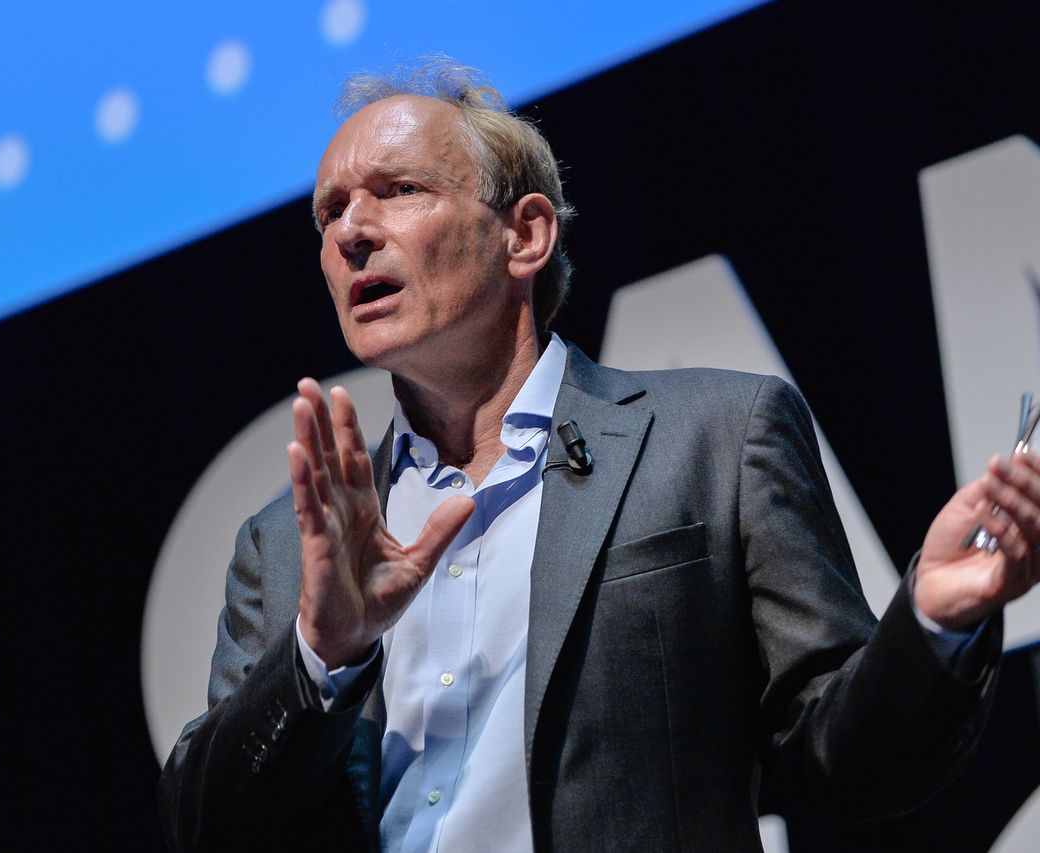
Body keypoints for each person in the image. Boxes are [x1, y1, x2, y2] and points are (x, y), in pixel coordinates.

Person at [159, 59, 1040, 852]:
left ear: (526, 235)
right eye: (330, 211)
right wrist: (323, 651)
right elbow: (206, 827)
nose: (351, 231)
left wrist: (931, 621)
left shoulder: (714, 437)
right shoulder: (285, 552)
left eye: (397, 190)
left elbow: (843, 762)